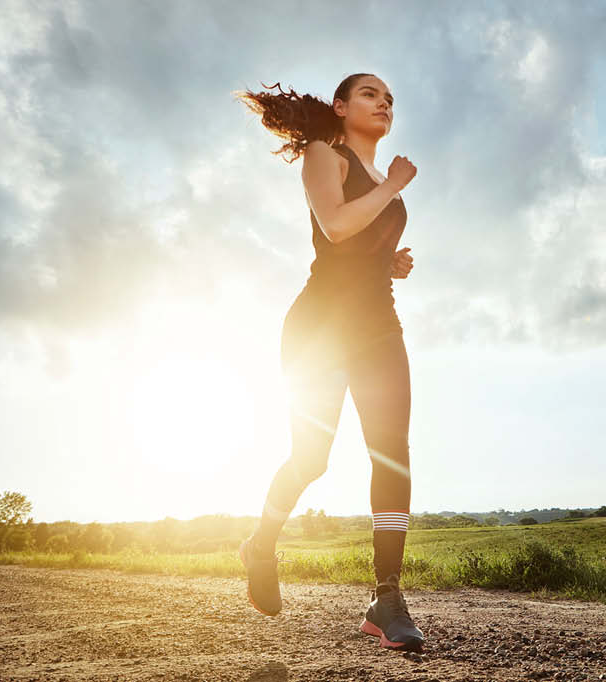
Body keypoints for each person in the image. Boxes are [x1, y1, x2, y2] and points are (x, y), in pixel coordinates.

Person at [233, 73, 422, 652]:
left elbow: (361, 247)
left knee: (392, 453)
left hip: (378, 327)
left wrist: (391, 263)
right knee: (311, 458)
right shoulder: (325, 154)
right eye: (370, 94)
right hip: (319, 329)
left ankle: (386, 596)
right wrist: (392, 186)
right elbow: (336, 227)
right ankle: (260, 544)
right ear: (340, 108)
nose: (384, 102)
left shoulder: (382, 183)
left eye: (391, 97)